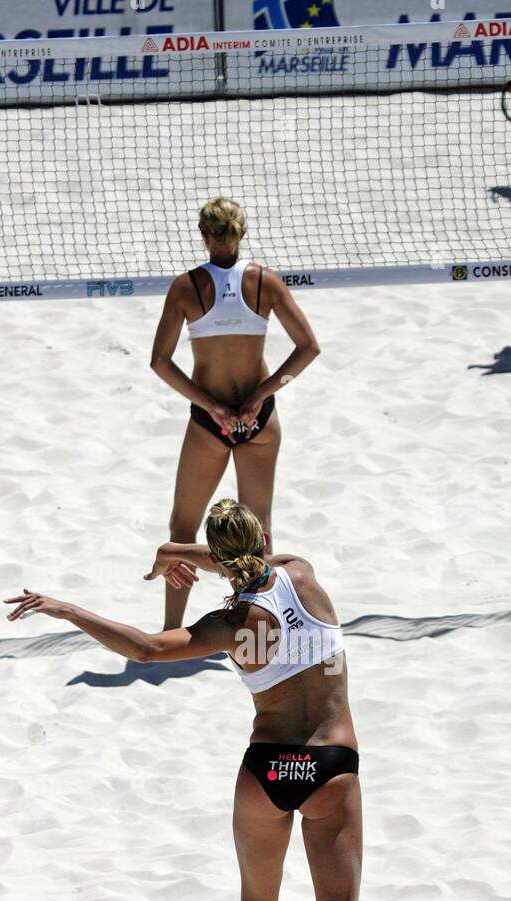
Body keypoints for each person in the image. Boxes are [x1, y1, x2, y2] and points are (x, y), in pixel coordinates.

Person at [4, 499, 360, 901]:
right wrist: (181, 554)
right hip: (329, 765)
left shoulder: (226, 628)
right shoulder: (301, 572)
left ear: (217, 561)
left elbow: (142, 648)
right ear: (265, 537)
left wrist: (67, 608)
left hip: (267, 768)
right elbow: (242, 560)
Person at [149, 198, 320, 630]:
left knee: (182, 528)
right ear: (241, 234)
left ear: (205, 235)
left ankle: (173, 631)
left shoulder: (187, 287)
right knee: (258, 531)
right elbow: (308, 349)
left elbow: (160, 362)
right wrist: (260, 396)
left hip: (211, 421)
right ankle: (264, 623)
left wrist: (212, 406)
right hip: (258, 419)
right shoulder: (265, 282)